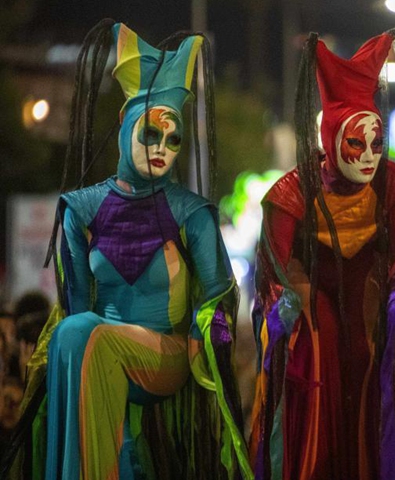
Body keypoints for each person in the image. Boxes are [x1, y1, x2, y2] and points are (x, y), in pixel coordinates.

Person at [1, 20, 252, 480]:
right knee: (74, 333)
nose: (162, 149)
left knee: (83, 335)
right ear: (124, 124)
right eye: (150, 134)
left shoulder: (190, 212)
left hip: (168, 357)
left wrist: (204, 341)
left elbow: (219, 295)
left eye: (173, 138)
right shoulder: (80, 208)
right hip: (97, 348)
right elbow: (78, 304)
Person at [248, 29, 395, 480]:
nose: (368, 157)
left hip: (370, 300)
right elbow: (275, 275)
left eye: (377, 144)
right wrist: (288, 309)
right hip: (310, 299)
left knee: (374, 357)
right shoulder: (290, 194)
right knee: (315, 356)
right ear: (332, 137)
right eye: (355, 144)